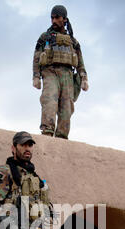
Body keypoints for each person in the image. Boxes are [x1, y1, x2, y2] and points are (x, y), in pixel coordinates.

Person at [33, 5, 88, 139]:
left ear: (64, 19)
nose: (53, 21)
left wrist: (84, 78)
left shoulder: (73, 42)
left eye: (57, 17)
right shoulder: (45, 37)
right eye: (52, 18)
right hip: (50, 72)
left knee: (66, 108)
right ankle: (47, 133)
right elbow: (36, 56)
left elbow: (80, 62)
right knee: (49, 101)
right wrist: (36, 76)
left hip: (67, 76)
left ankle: (61, 140)